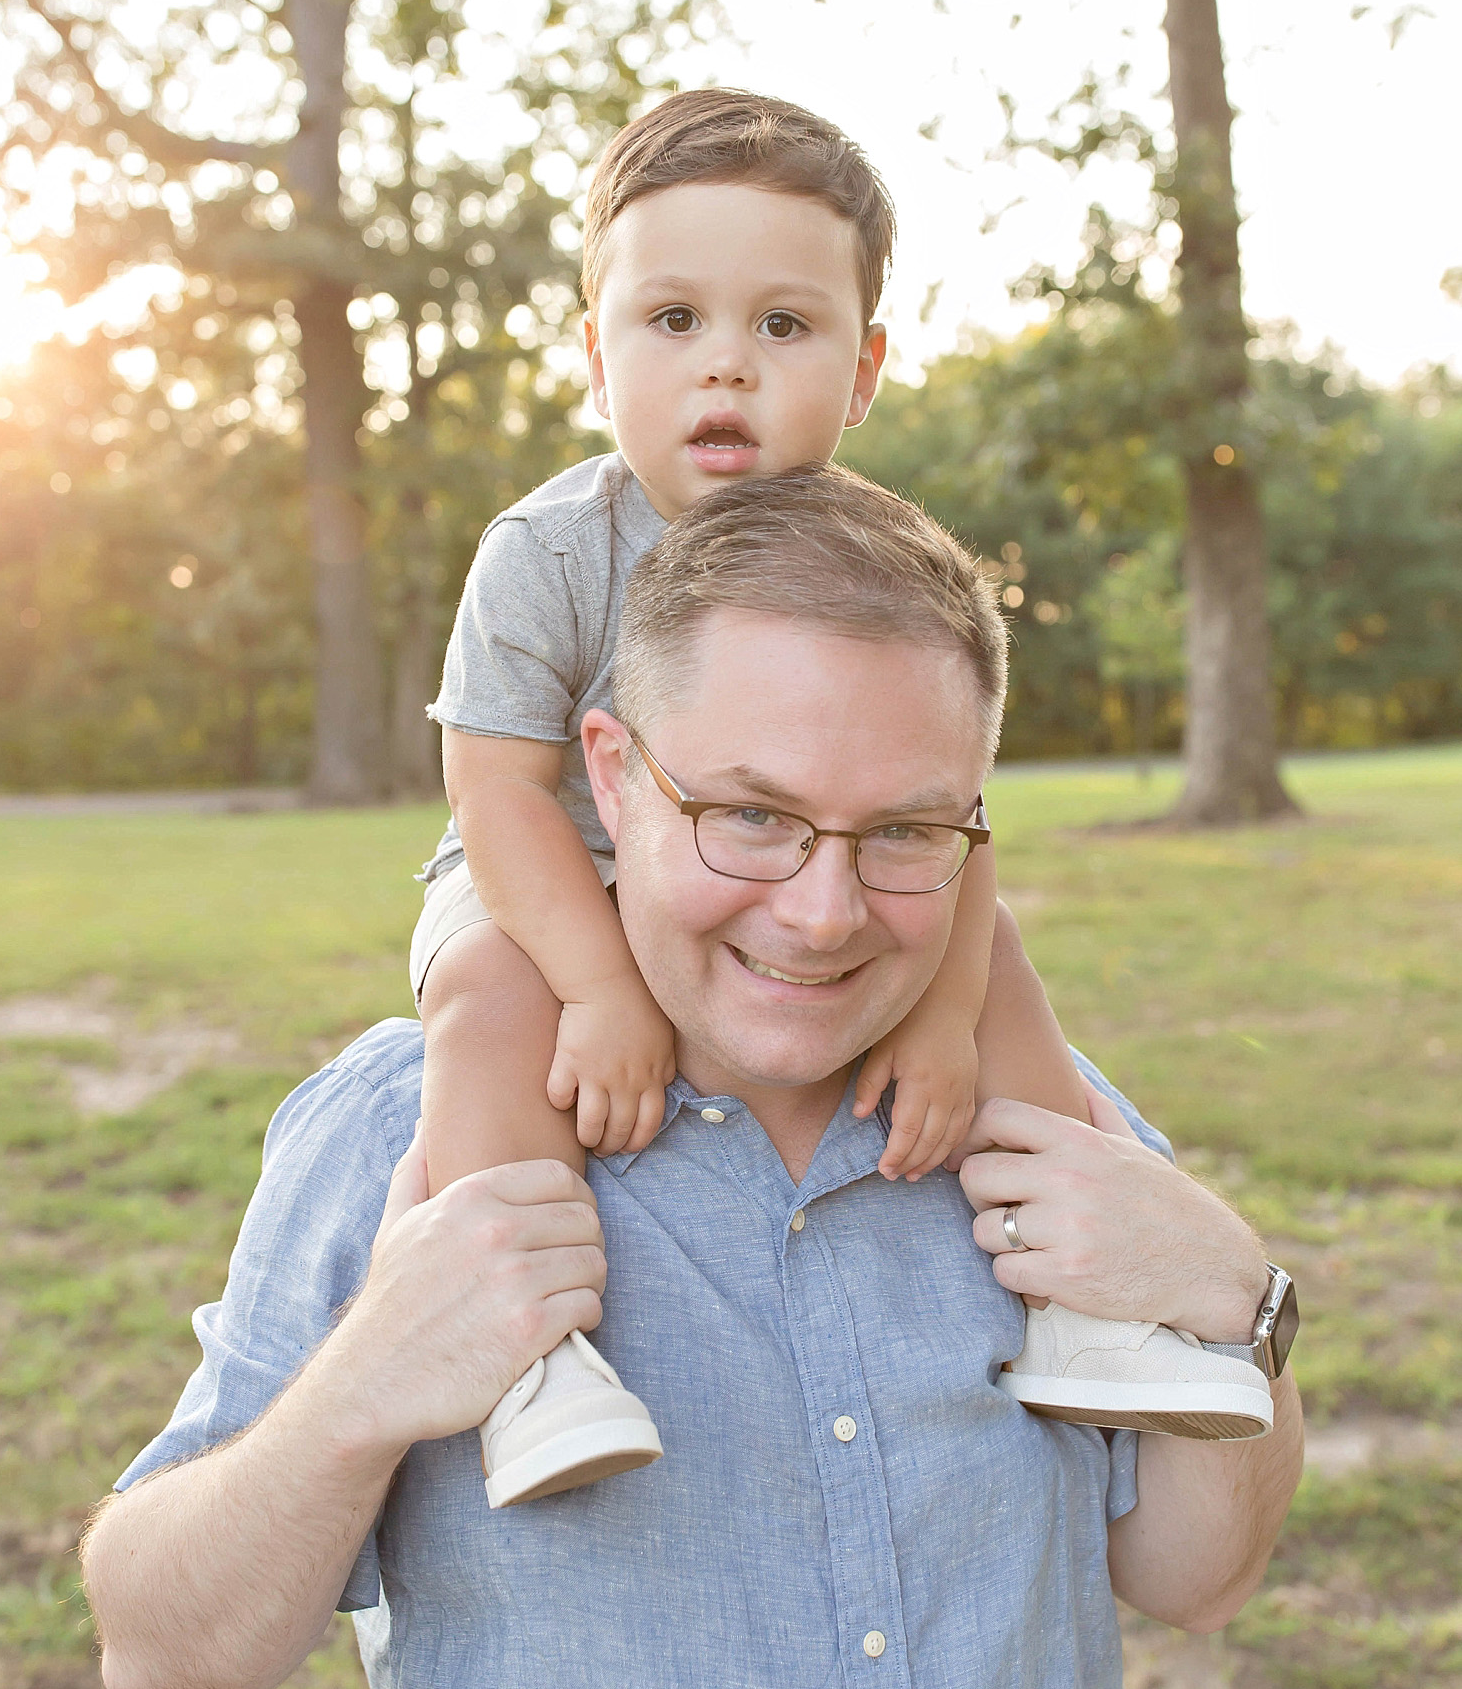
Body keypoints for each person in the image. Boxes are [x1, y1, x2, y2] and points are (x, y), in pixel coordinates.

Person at [82, 469, 1304, 1689]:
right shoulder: (406, 1134)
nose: (825, 910)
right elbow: (157, 1659)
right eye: (753, 815)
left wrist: (1245, 1304)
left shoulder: (1045, 1129)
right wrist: (360, 1390)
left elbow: (1201, 1577)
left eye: (905, 831)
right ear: (610, 771)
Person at [409, 88, 1273, 1505]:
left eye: (784, 327)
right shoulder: (549, 551)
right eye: (673, 321)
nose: (726, 372)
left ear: (863, 370)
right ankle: (528, 1357)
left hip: (822, 854)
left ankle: (1097, 1305)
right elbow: (493, 786)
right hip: (552, 875)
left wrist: (941, 1012)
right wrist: (600, 985)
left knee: (996, 968)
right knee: (480, 1005)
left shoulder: (883, 558)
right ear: (596, 349)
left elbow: (950, 807)